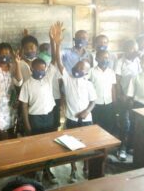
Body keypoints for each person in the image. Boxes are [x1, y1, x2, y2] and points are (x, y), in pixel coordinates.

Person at [19, 22, 62, 184]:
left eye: (43, 69)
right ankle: (34, 171)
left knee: (49, 144)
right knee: (35, 146)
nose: (40, 71)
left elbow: (55, 62)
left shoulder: (48, 77)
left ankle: (47, 170)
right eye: (37, 69)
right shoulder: (27, 84)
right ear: (32, 69)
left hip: (49, 116)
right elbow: (23, 105)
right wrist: (27, 124)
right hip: (34, 118)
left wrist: (55, 43)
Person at [55, 25, 96, 183]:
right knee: (70, 146)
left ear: (87, 71)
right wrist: (57, 43)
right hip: (71, 119)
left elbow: (93, 101)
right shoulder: (68, 79)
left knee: (87, 144)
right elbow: (59, 63)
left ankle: (86, 167)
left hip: (86, 119)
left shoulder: (88, 83)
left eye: (82, 68)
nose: (78, 69)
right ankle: (73, 170)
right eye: (77, 67)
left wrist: (87, 111)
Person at [115, 40, 141, 161]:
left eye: (136, 48)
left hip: (136, 98)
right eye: (132, 49)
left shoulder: (138, 61)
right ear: (126, 50)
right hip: (124, 98)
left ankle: (131, 146)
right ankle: (122, 148)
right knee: (125, 124)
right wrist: (121, 95)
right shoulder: (120, 62)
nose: (135, 51)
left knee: (135, 123)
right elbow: (117, 80)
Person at [89, 50, 117, 134]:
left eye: (107, 58)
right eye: (102, 57)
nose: (105, 60)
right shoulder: (91, 71)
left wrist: (114, 102)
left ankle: (106, 145)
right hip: (96, 104)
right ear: (96, 59)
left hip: (109, 103)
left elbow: (113, 88)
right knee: (96, 126)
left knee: (108, 125)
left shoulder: (111, 72)